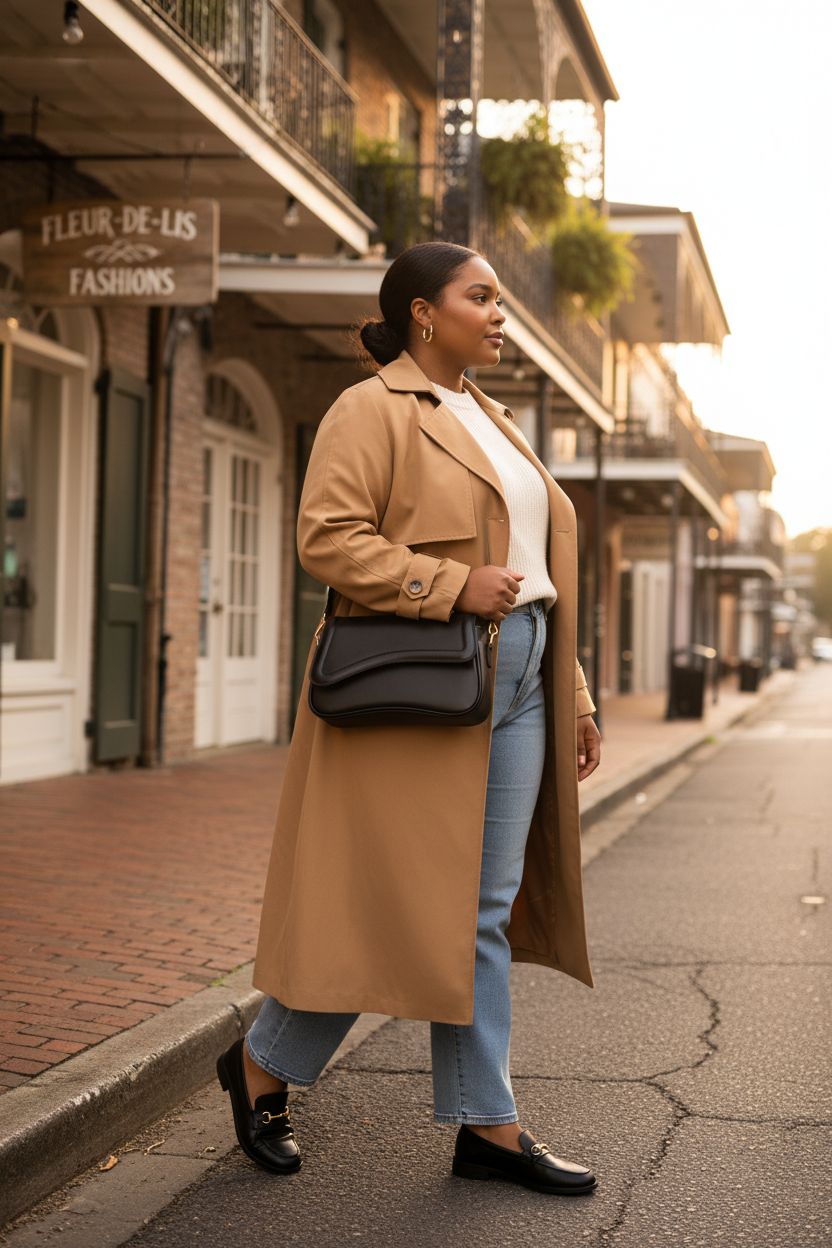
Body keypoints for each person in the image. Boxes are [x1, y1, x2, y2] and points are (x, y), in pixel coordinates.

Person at [217, 241, 602, 1197]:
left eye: (501, 299)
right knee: (404, 905)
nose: (502, 313)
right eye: (484, 297)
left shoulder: (496, 419)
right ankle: (274, 1065)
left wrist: (577, 693)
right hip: (428, 678)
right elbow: (329, 537)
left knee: (477, 908)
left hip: (522, 676)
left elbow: (535, 570)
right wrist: (447, 582)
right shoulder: (371, 408)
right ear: (425, 314)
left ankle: (482, 1123)